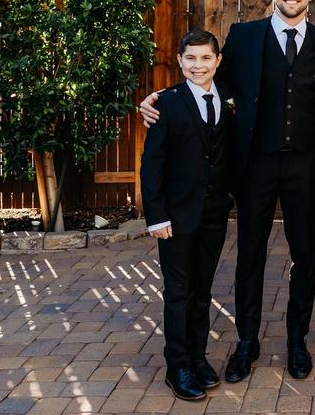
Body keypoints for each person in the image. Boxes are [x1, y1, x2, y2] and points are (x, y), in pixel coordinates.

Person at [139, 0, 315, 382]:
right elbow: (211, 82)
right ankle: (247, 341)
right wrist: (163, 98)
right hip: (255, 168)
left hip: (304, 166)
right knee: (250, 255)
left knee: (304, 257)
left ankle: (297, 342)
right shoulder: (245, 37)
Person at [140, 29, 234, 401]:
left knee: (202, 290)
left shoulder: (228, 98)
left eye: (205, 58)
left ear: (217, 61)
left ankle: (198, 357)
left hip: (213, 213)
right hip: (176, 217)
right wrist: (156, 216)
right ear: (180, 61)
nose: (198, 65)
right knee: (178, 291)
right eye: (191, 58)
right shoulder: (167, 103)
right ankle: (177, 366)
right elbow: (153, 165)